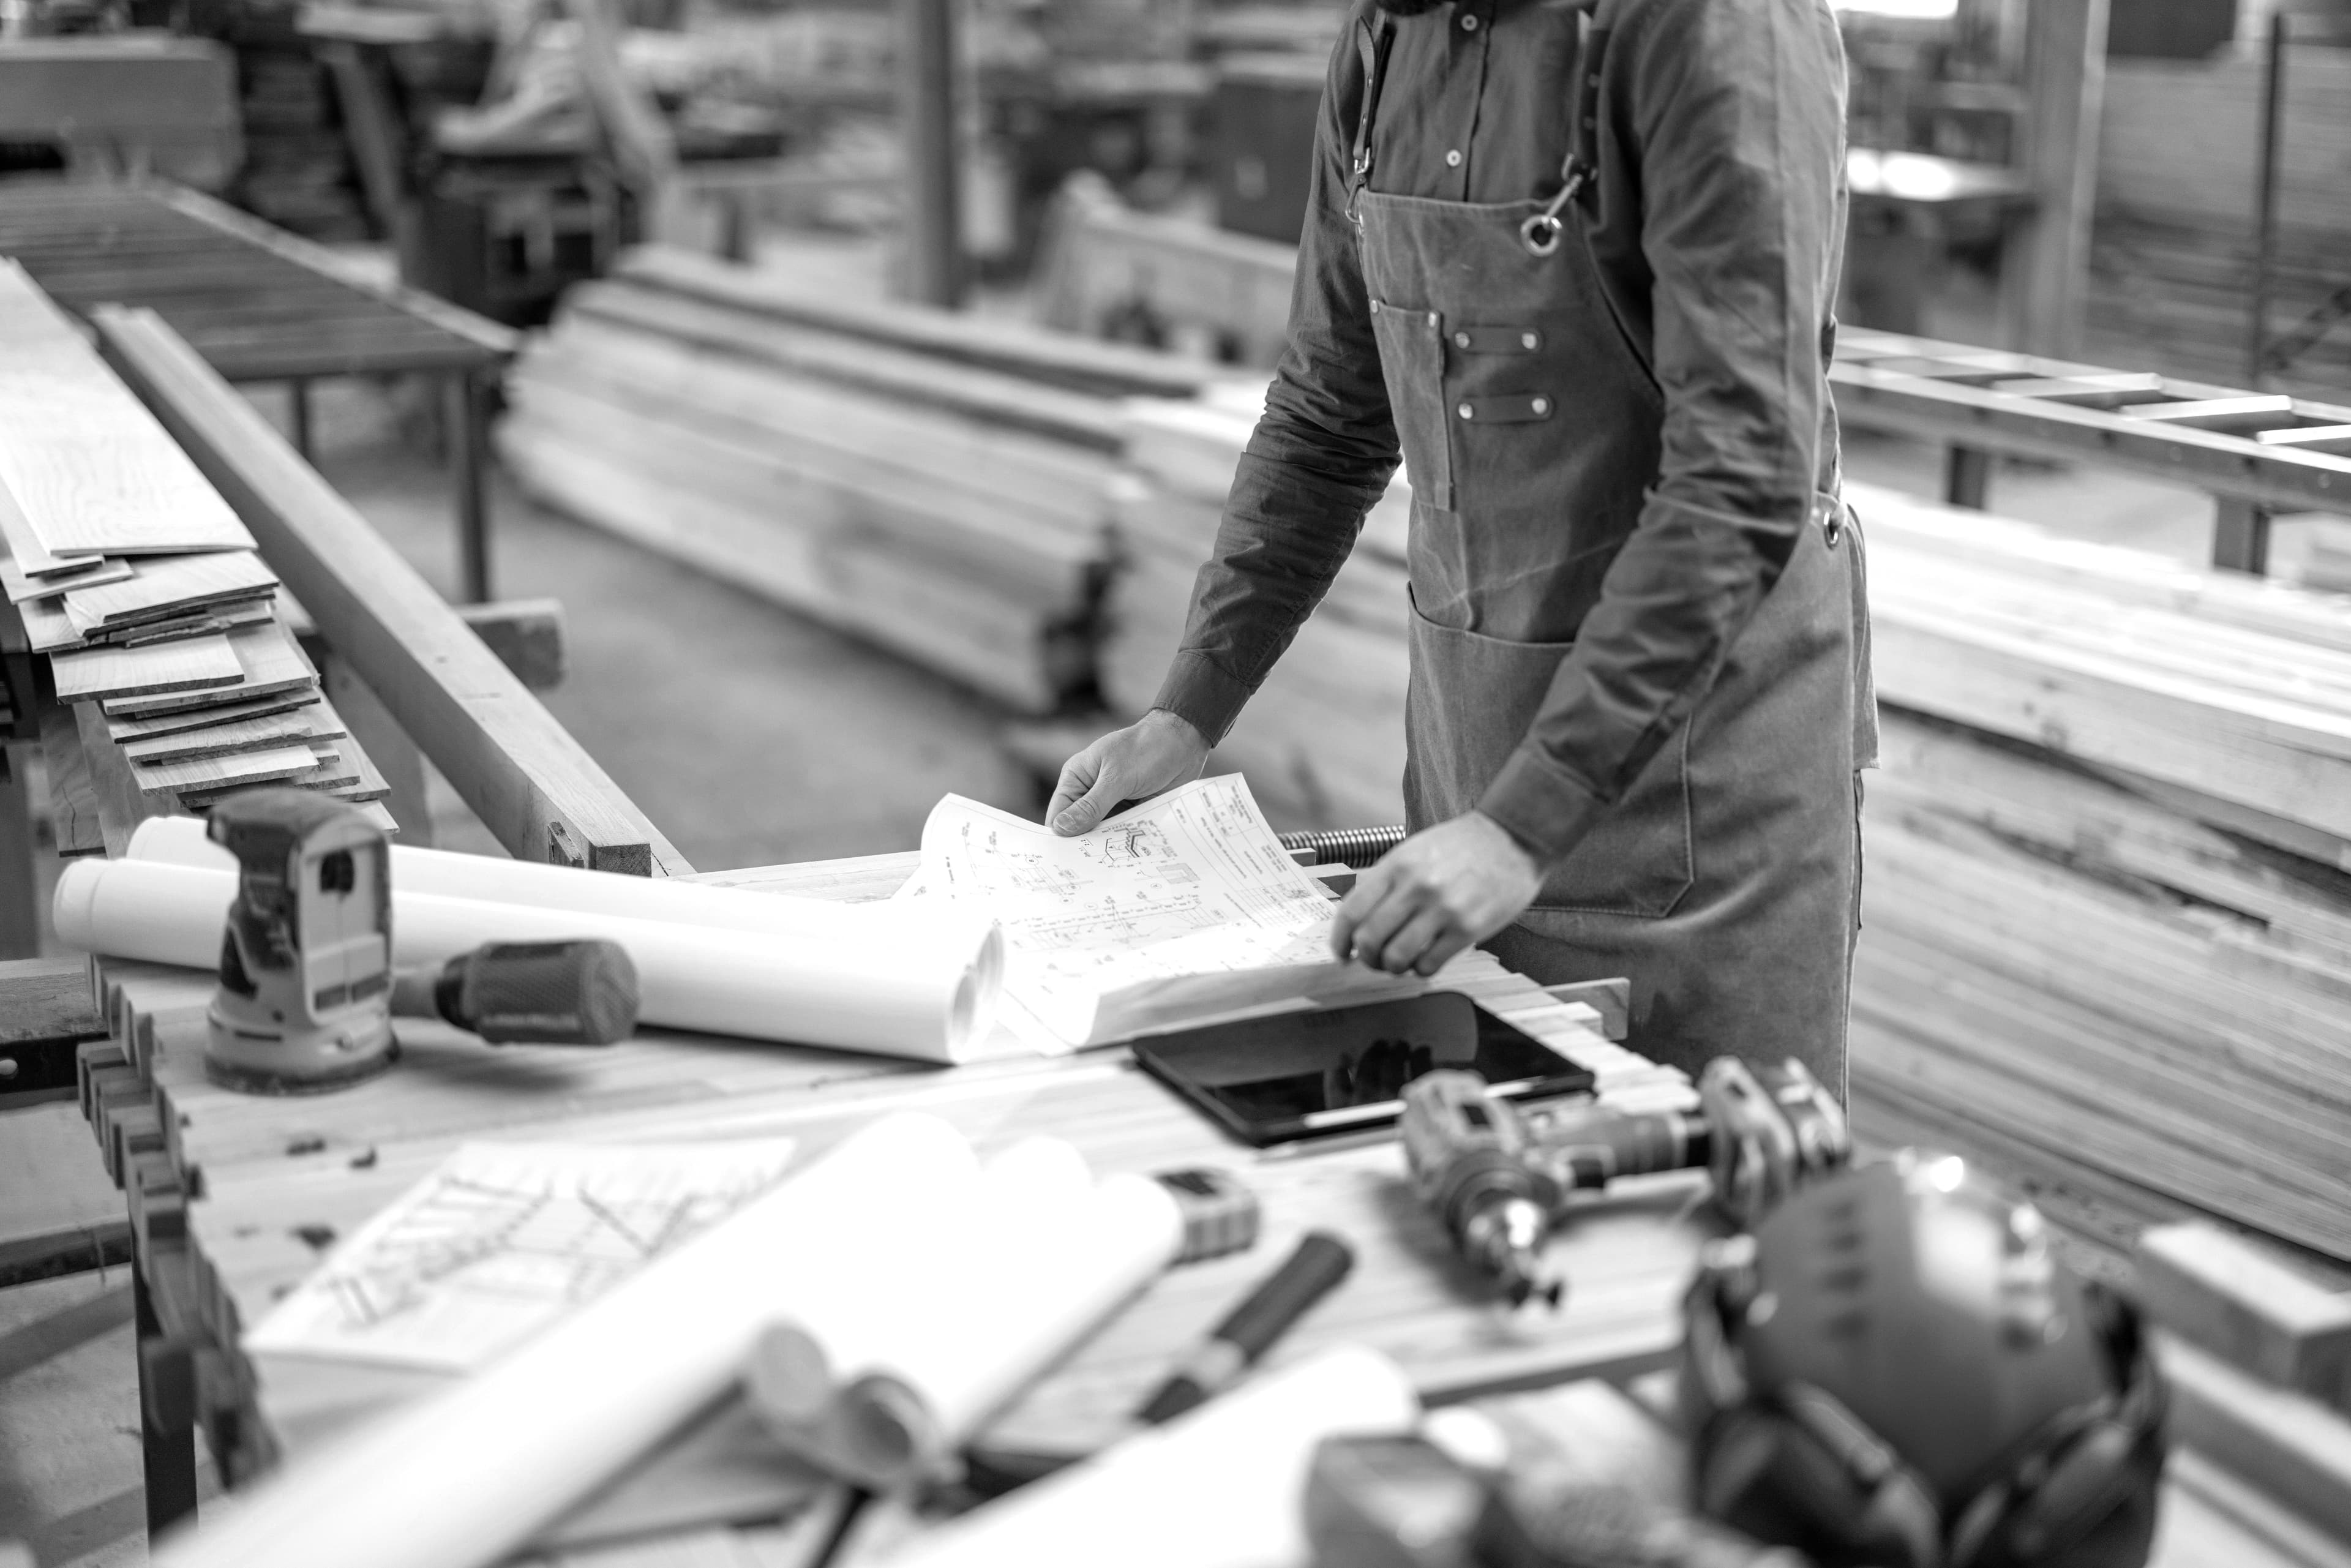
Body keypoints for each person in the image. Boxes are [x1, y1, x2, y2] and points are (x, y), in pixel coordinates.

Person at [1049, 0, 1875, 1092]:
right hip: (1469, 780)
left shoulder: (1711, 27)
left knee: (1705, 1202)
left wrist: (1519, 830)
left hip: (1699, 816)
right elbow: (1328, 411)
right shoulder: (1390, 41)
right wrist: (1188, 710)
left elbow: (1738, 480)